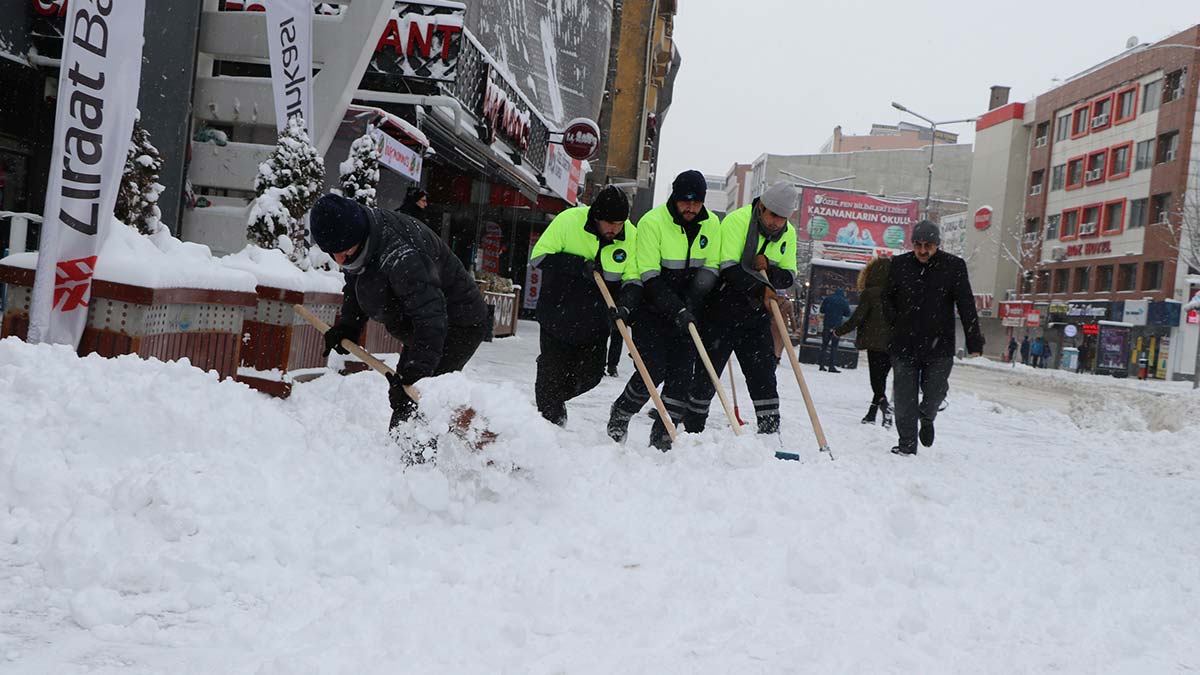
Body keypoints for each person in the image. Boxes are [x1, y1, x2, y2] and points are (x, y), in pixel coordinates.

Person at [312, 193, 489, 434]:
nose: (339, 259)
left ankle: (419, 464)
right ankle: (407, 457)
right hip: (424, 323)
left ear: (358, 236)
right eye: (332, 253)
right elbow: (356, 283)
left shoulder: (402, 255)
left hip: (458, 323)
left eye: (343, 252)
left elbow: (431, 318)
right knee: (411, 399)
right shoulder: (358, 243)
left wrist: (416, 372)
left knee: (419, 394)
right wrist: (349, 326)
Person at [606, 170, 723, 451]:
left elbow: (710, 268)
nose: (691, 208)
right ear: (675, 197)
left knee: (682, 375)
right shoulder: (652, 222)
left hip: (689, 311)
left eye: (696, 203)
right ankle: (622, 410)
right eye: (685, 202)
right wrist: (676, 309)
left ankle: (664, 432)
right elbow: (649, 274)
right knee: (652, 368)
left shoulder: (711, 224)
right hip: (653, 307)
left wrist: (691, 305)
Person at [682, 182, 798, 436]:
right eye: (773, 216)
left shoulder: (788, 234)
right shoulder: (737, 221)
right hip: (722, 309)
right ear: (762, 207)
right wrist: (761, 289)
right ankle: (693, 431)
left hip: (756, 315)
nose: (777, 223)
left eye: (783, 218)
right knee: (707, 376)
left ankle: (769, 432)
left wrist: (771, 269)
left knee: (763, 373)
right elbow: (729, 267)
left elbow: (788, 275)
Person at [528, 186, 635, 426]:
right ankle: (549, 415)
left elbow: (632, 281)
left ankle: (552, 399)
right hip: (557, 314)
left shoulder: (632, 236)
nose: (613, 229)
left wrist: (625, 307)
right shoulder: (568, 220)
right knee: (552, 373)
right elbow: (539, 257)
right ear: (596, 216)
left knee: (590, 377)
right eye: (608, 222)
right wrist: (578, 265)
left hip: (595, 323)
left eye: (619, 223)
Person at [883, 220, 984, 456]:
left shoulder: (953, 266)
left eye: (928, 245)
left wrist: (974, 341)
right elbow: (886, 299)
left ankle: (927, 416)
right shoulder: (899, 265)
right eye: (918, 245)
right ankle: (907, 443)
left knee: (935, 391)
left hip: (939, 345)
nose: (922, 250)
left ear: (937, 245)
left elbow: (966, 304)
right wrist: (895, 322)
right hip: (904, 343)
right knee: (904, 395)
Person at [834, 256, 892, 427]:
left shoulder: (870, 292)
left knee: (876, 380)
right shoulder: (897, 294)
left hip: (875, 342)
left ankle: (883, 405)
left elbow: (858, 317)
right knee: (882, 378)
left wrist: (839, 331)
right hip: (893, 343)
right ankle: (872, 414)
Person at [818, 288, 851, 372]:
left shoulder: (828, 299)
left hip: (827, 325)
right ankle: (831, 366)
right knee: (834, 346)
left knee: (824, 345)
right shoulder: (844, 302)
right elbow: (847, 314)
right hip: (837, 327)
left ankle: (821, 365)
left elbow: (822, 310)